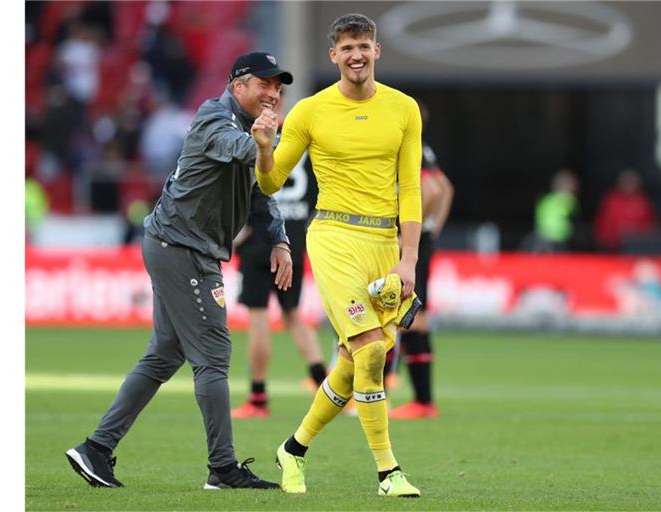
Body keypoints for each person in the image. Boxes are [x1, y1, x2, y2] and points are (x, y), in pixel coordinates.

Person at [65, 52, 295, 491]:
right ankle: (223, 469)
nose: (272, 94)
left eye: (278, 89)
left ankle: (95, 448)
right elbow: (243, 153)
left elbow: (262, 195)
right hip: (184, 248)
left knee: (164, 355)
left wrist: (280, 240)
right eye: (264, 84)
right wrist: (269, 141)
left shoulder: (250, 130)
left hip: (180, 245)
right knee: (213, 356)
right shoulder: (215, 117)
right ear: (237, 85)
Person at [251, 13, 423, 498]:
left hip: (385, 242)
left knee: (355, 360)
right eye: (347, 47)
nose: (356, 55)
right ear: (333, 55)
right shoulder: (309, 111)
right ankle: (389, 472)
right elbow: (270, 182)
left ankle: (294, 449)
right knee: (372, 349)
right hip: (332, 237)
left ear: (377, 50)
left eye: (364, 45)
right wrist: (264, 148)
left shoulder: (403, 109)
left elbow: (410, 188)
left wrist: (408, 259)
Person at [231, 148, 327, 419]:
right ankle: (326, 388)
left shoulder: (257, 141)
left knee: (258, 318)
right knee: (293, 315)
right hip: (292, 243)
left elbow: (246, 191)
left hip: (258, 242)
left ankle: (258, 398)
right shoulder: (307, 148)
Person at [388, 100, 454, 420]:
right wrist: (432, 229)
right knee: (406, 313)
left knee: (411, 314)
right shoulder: (425, 149)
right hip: (424, 238)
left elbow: (430, 190)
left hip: (411, 240)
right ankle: (413, 397)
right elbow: (446, 188)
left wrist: (409, 233)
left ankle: (422, 401)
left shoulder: (410, 149)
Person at [594, 168, 657, 252]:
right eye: (626, 181)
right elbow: (602, 223)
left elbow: (649, 226)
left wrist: (635, 234)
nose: (629, 184)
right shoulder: (611, 199)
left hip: (636, 248)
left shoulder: (643, 201)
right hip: (610, 247)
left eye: (632, 181)